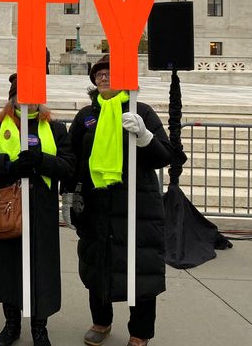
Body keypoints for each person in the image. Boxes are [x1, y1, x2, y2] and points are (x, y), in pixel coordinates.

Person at [63, 54, 171, 346]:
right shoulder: (86, 115)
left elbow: (166, 156)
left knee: (140, 269)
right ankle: (101, 322)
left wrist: (145, 136)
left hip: (137, 205)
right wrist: (68, 195)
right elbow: (72, 159)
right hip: (96, 204)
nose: (103, 78)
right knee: (97, 264)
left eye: (109, 73)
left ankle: (140, 332)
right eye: (99, 74)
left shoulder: (142, 112)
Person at [0, 74, 75, 346]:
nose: (26, 100)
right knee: (8, 266)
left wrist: (42, 161)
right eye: (21, 94)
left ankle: (39, 327)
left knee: (40, 268)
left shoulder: (54, 128)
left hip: (40, 209)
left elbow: (68, 166)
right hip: (7, 205)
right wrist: (8, 165)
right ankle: (11, 324)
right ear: (12, 96)